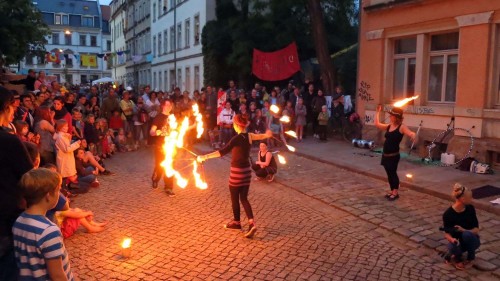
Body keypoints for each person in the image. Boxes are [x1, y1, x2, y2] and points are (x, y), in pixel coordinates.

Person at [197, 114, 272, 238]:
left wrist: (204, 157)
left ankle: (237, 222)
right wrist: (267, 135)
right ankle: (251, 223)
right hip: (247, 172)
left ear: (237, 125)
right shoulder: (249, 136)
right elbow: (260, 136)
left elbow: (221, 152)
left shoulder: (235, 139)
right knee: (244, 198)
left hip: (237, 172)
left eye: (234, 124)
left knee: (234, 197)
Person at [12, 168, 74, 280]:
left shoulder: (18, 221)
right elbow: (57, 275)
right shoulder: (49, 231)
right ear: (48, 195)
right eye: (58, 190)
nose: (59, 194)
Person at [0, 87, 33, 281]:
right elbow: (30, 177)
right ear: (5, 108)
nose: (14, 110)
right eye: (12, 106)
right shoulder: (9, 142)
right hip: (7, 218)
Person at [375, 105, 416, 200]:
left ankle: (395, 192)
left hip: (393, 156)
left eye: (391, 115)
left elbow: (410, 133)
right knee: (389, 173)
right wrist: (377, 112)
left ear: (396, 117)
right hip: (385, 155)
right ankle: (391, 190)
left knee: (393, 173)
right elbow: (377, 124)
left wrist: (413, 135)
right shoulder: (389, 126)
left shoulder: (401, 127)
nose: (390, 117)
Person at [442, 183, 480, 270]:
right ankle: (457, 258)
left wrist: (463, 230)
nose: (471, 199)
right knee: (451, 246)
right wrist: (452, 239)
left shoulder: (470, 208)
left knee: (466, 234)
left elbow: (476, 230)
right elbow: (446, 234)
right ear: (463, 199)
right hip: (458, 242)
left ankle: (470, 258)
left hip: (472, 240)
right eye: (470, 198)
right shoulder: (448, 214)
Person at [149, 99, 175, 196]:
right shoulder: (158, 117)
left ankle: (169, 187)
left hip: (171, 146)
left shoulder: (172, 118)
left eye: (170, 105)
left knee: (170, 165)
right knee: (160, 166)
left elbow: (176, 130)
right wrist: (156, 132)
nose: (169, 107)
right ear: (163, 106)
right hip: (160, 146)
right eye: (167, 105)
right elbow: (151, 131)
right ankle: (155, 178)